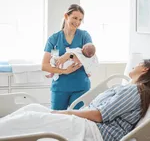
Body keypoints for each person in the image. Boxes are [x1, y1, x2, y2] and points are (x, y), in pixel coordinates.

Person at [1, 60, 150, 141]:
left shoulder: (135, 91)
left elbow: (99, 115)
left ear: (145, 70)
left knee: (31, 118)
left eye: (138, 64)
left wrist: (64, 112)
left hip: (95, 131)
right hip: (88, 124)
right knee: (33, 108)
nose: (135, 64)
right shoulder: (130, 89)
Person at [42, 4, 94, 110]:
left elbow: (88, 57)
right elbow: (44, 65)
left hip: (81, 87)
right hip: (59, 88)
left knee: (78, 120)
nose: (77, 22)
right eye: (75, 18)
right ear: (66, 16)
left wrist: (67, 55)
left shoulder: (84, 36)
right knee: (56, 119)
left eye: (80, 19)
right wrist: (65, 71)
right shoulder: (54, 39)